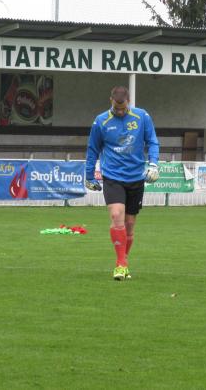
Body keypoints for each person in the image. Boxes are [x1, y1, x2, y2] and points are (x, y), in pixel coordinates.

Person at [85, 85, 160, 280]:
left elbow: (152, 141)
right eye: (117, 108)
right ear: (111, 100)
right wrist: (89, 175)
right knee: (117, 215)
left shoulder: (142, 117)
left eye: (123, 108)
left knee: (129, 225)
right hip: (113, 176)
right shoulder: (101, 121)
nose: (120, 111)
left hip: (136, 177)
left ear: (128, 102)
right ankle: (120, 264)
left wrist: (154, 164)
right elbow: (93, 149)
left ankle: (124, 260)